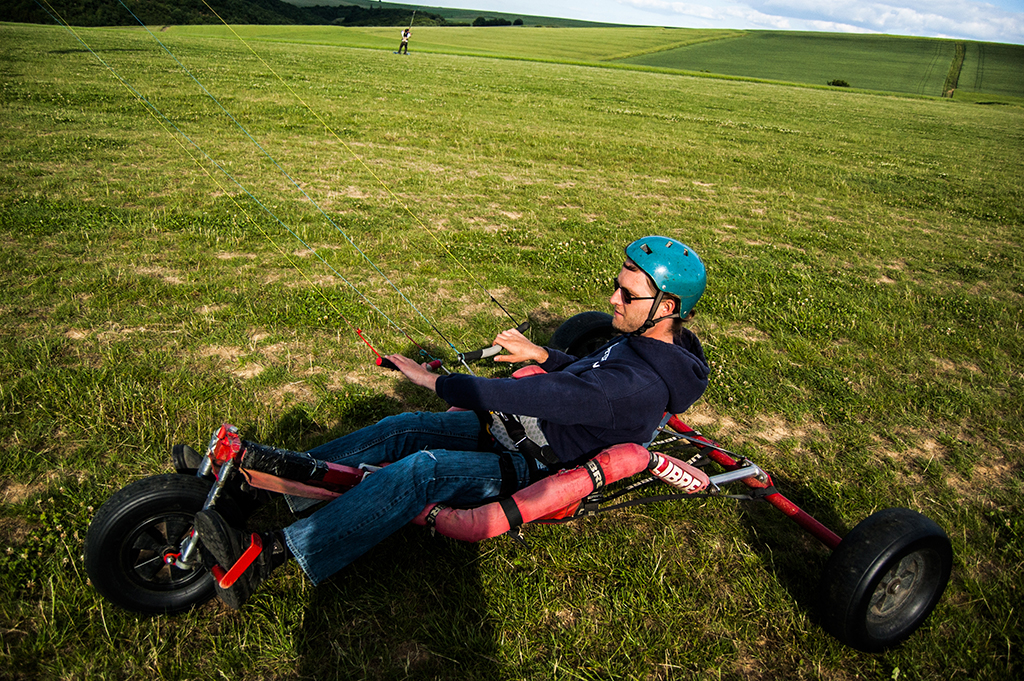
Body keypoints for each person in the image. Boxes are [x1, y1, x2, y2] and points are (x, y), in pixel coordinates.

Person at [195, 236, 711, 609]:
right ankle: (258, 487)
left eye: (627, 295)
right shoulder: (650, 342)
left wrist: (435, 381)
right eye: (617, 286)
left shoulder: (637, 384)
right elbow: (585, 372)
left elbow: (536, 393)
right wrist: (543, 354)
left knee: (421, 471)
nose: (613, 300)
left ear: (666, 306)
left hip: (533, 466)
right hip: (516, 432)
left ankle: (268, 556)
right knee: (403, 428)